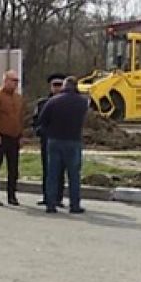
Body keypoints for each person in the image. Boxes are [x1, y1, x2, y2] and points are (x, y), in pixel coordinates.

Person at [39, 76, 90, 214]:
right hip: (73, 140)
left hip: (54, 140)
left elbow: (42, 119)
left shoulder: (53, 101)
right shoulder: (82, 102)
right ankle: (74, 205)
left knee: (53, 174)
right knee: (74, 175)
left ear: (64, 86)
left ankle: (51, 204)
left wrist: (49, 130)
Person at [0, 69, 24, 206]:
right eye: (13, 81)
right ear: (6, 81)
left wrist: (20, 133)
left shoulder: (18, 98)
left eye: (17, 81)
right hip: (0, 136)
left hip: (14, 136)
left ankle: (12, 195)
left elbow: (20, 117)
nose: (16, 84)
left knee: (13, 168)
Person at [32, 73, 66, 207]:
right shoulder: (43, 103)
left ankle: (58, 198)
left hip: (63, 139)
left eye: (59, 85)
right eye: (54, 85)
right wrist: (40, 131)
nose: (57, 88)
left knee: (60, 170)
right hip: (47, 140)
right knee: (47, 169)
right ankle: (47, 196)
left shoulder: (67, 103)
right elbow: (36, 120)